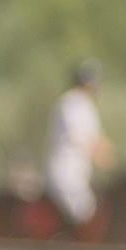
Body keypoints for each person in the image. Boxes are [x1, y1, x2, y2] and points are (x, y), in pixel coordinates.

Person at [43, 59, 111, 228]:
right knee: (84, 210)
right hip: (64, 173)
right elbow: (82, 141)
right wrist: (104, 158)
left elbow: (98, 140)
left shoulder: (86, 106)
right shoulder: (70, 103)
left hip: (80, 174)